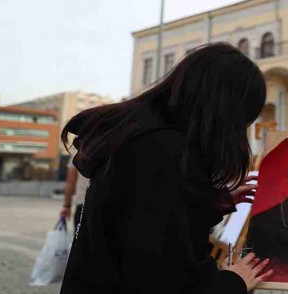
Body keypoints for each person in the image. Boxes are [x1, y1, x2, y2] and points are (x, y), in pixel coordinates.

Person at [59, 43, 272, 294]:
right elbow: (165, 277)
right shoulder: (164, 152)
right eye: (241, 121)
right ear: (223, 113)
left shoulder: (143, 138)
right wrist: (233, 282)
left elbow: (144, 223)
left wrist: (205, 202)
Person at [60, 154, 89, 231]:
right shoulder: (113, 145)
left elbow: (70, 182)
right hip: (108, 204)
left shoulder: (80, 149)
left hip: (83, 205)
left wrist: (67, 205)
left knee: (82, 241)